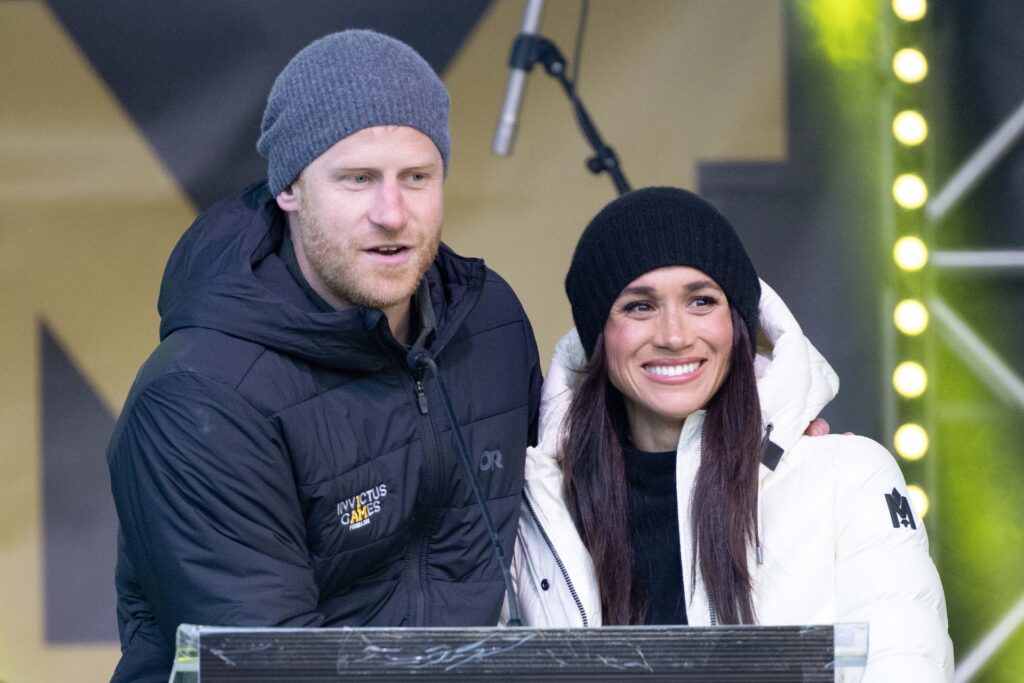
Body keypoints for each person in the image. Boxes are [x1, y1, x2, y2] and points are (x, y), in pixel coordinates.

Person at [106, 30, 542, 682]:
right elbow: (271, 669)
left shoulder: (491, 323)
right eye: (358, 179)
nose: (392, 213)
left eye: (416, 177)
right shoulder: (199, 395)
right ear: (290, 189)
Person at [511, 187, 954, 680]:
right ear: (598, 338)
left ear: (737, 324)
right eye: (639, 306)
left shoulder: (848, 477)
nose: (675, 335)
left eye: (701, 301)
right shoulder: (539, 505)